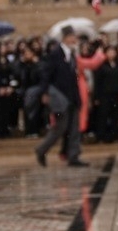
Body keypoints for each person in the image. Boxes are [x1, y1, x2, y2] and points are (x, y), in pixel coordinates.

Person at [34, 26, 89, 167]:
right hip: (60, 97)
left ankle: (73, 156)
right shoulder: (55, 54)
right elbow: (46, 75)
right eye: (72, 37)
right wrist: (44, 92)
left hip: (72, 96)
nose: (74, 40)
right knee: (60, 127)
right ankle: (41, 149)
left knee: (74, 128)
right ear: (65, 38)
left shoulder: (72, 55)